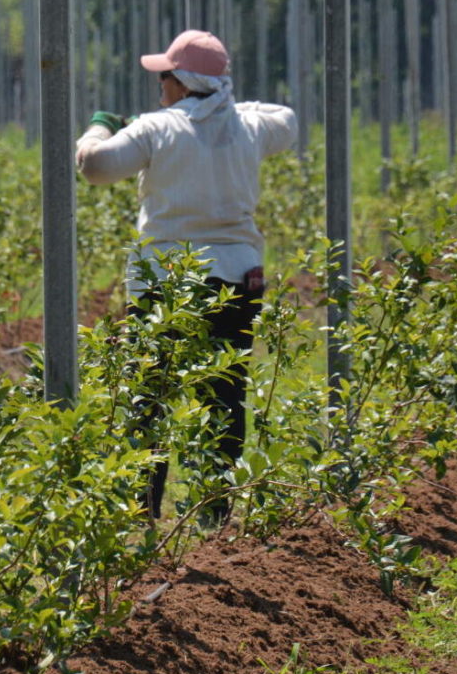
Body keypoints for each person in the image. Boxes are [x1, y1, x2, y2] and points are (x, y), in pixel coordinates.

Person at [75, 29, 296, 520]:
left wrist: (99, 127)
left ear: (179, 82)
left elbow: (94, 167)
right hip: (237, 277)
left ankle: (143, 514)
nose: (160, 86)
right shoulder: (248, 126)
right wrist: (226, 103)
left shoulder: (157, 129)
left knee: (148, 396)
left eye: (165, 77)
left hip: (167, 281)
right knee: (224, 394)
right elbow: (287, 119)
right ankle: (214, 515)